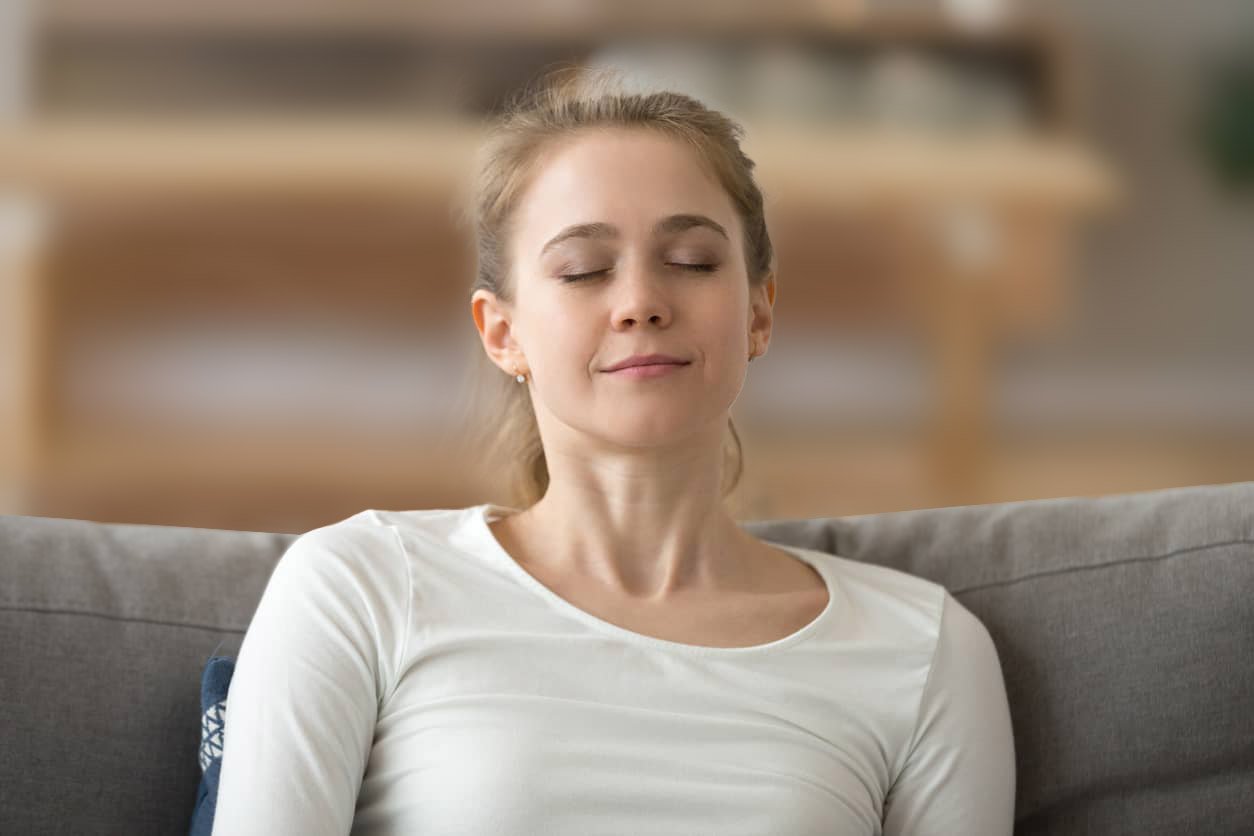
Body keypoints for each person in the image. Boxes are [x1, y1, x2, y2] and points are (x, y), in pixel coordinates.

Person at [211, 64, 1016, 835]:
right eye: (584, 269)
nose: (640, 302)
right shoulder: (361, 586)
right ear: (503, 332)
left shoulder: (924, 648)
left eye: (692, 261)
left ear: (759, 312)